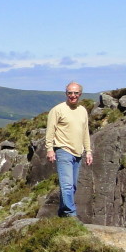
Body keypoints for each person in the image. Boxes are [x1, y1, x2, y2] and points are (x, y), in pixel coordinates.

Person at [45, 82, 93, 218]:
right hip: (63, 150)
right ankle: (70, 214)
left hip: (78, 153)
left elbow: (85, 132)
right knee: (66, 185)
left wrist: (88, 151)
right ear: (66, 94)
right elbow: (50, 131)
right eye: (70, 93)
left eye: (76, 93)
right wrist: (50, 149)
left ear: (80, 94)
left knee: (72, 186)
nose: (73, 96)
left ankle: (62, 214)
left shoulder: (83, 110)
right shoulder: (57, 110)